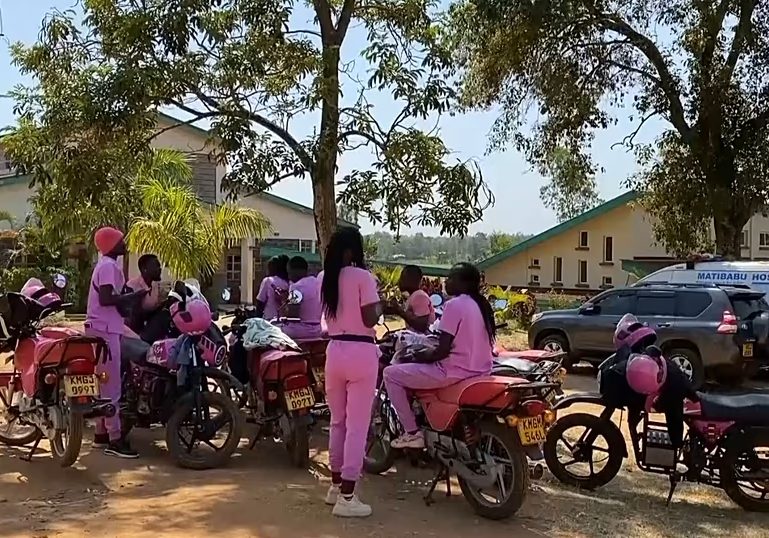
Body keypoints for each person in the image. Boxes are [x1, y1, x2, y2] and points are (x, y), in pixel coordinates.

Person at [383, 262, 495, 449]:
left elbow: (441, 351)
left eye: (451, 278)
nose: (446, 281)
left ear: (463, 283)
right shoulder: (481, 305)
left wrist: (415, 356)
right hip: (480, 371)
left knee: (390, 374)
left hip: (453, 371)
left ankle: (412, 433)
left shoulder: (454, 305)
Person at [320, 227, 381, 518]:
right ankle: (348, 494)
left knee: (338, 422)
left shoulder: (325, 279)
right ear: (350, 251)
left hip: (334, 351)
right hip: (361, 351)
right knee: (357, 426)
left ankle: (335, 487)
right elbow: (371, 317)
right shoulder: (362, 277)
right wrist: (381, 305)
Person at [86, 227, 147, 458]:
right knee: (111, 386)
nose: (124, 243)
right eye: (120, 240)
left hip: (105, 328)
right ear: (111, 244)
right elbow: (106, 298)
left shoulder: (108, 266)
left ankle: (102, 432)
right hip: (104, 330)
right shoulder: (109, 266)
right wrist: (133, 296)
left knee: (105, 381)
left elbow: (113, 301)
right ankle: (115, 440)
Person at [281, 256, 322, 340]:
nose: (289, 277)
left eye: (289, 273)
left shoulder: (296, 287)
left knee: (271, 330)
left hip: (300, 331)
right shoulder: (317, 283)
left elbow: (293, 315)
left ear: (294, 271)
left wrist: (284, 302)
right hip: (318, 329)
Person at [384, 265, 435, 333]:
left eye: (402, 277)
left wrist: (399, 311)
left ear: (411, 280)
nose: (399, 281)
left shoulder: (419, 296)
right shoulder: (414, 296)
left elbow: (421, 325)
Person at [124, 254, 163, 334]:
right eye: (156, 266)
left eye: (159, 266)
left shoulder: (157, 286)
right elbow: (131, 314)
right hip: (134, 333)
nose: (159, 269)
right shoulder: (132, 286)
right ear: (144, 269)